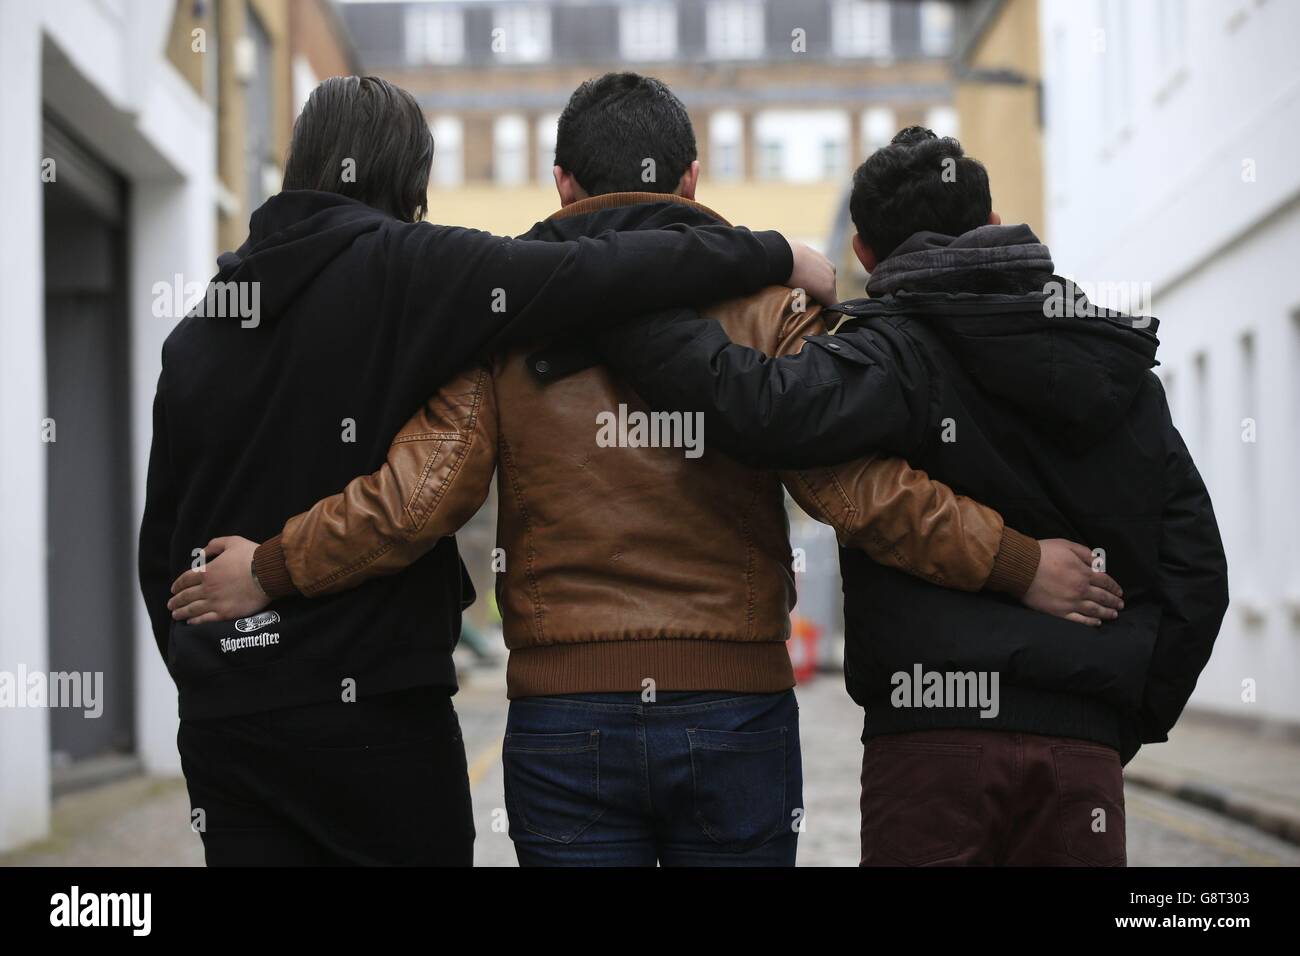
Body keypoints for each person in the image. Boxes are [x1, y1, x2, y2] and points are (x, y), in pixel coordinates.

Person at [167, 76, 1120, 867]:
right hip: (736, 709)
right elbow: (851, 486)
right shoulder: (765, 301)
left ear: (562, 182)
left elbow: (418, 498)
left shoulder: (505, 316)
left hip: (564, 718)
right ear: (695, 178)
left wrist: (274, 566)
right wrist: (1018, 561)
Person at [136, 74, 838, 867]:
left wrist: (214, 658)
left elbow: (170, 538)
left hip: (240, 712)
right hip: (387, 707)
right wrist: (776, 253)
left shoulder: (202, 326)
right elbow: (598, 274)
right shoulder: (413, 266)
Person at [594, 127, 1230, 866]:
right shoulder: (1116, 368)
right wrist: (1115, 716)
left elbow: (751, 406)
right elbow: (1198, 571)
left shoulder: (889, 354)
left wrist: (620, 298)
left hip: (931, 750)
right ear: (994, 222)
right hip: (1080, 750)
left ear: (863, 253)